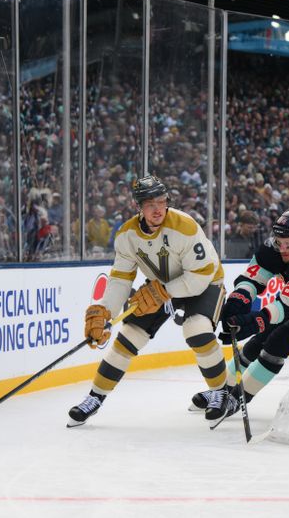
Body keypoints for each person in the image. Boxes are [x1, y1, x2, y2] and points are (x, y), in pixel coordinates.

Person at [68, 175, 230, 428]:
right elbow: (121, 278)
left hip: (203, 283)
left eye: (162, 201)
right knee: (129, 335)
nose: (158, 209)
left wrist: (163, 292)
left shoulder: (184, 227)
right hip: (161, 287)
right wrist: (106, 309)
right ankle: (95, 398)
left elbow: (200, 276)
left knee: (196, 330)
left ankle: (221, 392)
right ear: (139, 207)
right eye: (150, 203)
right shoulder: (127, 236)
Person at [190, 210, 289, 426]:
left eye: (288, 246)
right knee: (256, 343)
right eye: (279, 243)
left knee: (279, 341)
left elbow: (286, 306)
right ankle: (222, 391)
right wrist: (238, 300)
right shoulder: (274, 246)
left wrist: (255, 321)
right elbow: (253, 278)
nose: (282, 250)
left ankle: (239, 397)